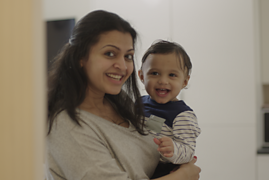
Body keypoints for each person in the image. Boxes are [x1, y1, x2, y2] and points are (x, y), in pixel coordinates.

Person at [46, 10, 201, 180]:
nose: (122, 66)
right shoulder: (66, 125)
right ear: (80, 57)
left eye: (128, 56)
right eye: (110, 53)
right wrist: (183, 175)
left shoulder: (121, 102)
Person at [137, 40, 201, 176]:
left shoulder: (182, 115)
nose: (163, 81)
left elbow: (188, 151)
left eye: (172, 75)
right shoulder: (137, 104)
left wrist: (173, 149)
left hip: (164, 171)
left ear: (184, 81)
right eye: (154, 73)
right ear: (142, 76)